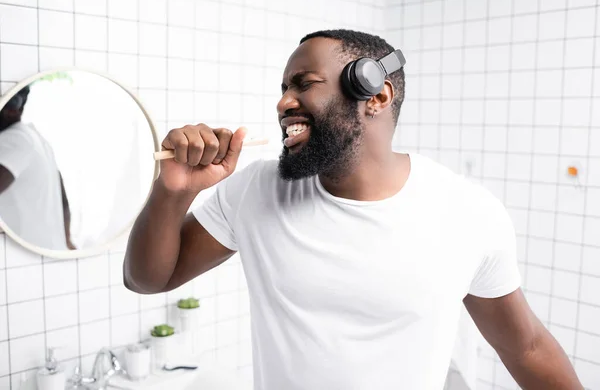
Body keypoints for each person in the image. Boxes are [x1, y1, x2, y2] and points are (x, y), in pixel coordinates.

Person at [124, 29, 583, 389]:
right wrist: (174, 191)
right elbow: (148, 278)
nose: (283, 102)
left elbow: (526, 349)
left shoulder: (468, 213)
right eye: (284, 87)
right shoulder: (254, 191)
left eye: (304, 84)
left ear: (376, 95)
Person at [0, 85, 75, 250]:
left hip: (25, 250)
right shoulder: (33, 136)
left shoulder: (14, 140)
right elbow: (64, 201)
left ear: (13, 111)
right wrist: (67, 241)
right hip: (45, 249)